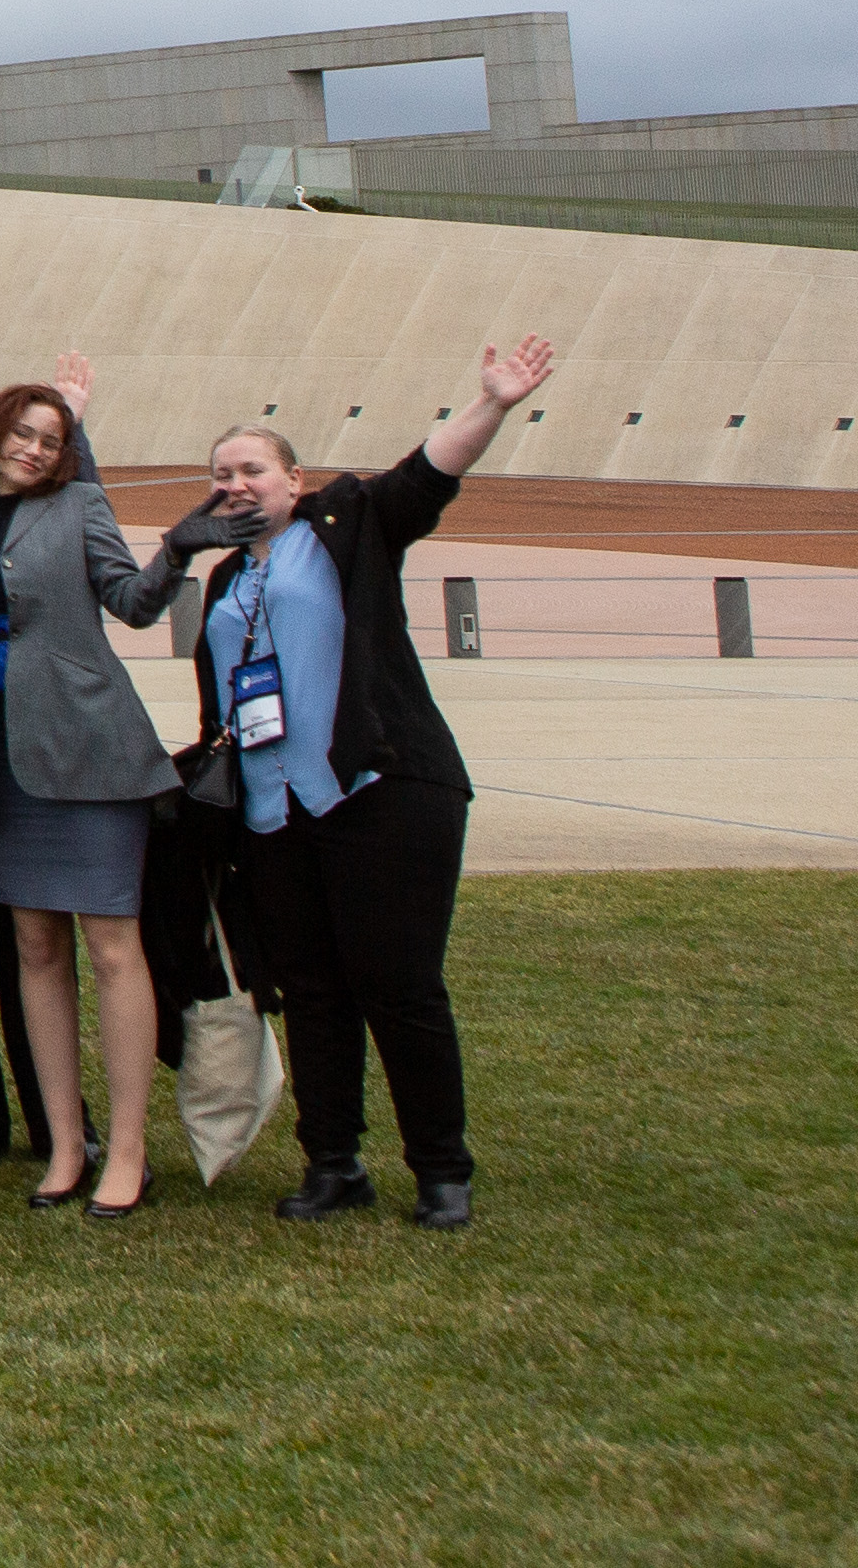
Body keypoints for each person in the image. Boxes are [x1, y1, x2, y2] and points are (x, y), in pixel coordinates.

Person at [180, 338, 557, 1232]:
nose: (236, 484)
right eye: (221, 473)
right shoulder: (228, 575)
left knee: (399, 983)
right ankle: (334, 1162)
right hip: (276, 815)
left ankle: (440, 1168)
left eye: (252, 470)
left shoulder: (346, 526)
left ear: (293, 478)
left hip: (379, 792)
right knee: (311, 989)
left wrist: (494, 403)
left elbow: (425, 476)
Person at [0, 380, 188, 1216]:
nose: (36, 448)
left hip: (90, 754)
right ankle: (66, 1144)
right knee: (36, 949)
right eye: (25, 432)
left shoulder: (80, 504)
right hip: (6, 764)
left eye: (53, 438)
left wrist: (179, 548)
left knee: (113, 949)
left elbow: (134, 603)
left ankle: (129, 1150)